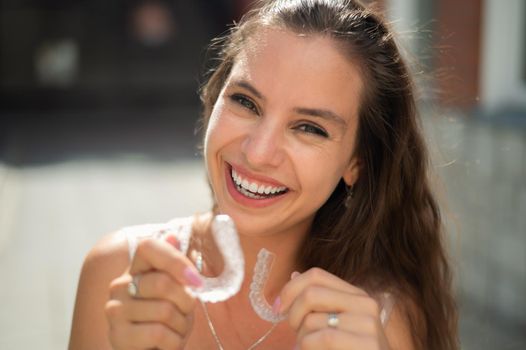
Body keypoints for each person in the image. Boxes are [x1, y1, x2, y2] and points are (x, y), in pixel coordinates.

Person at [69, 0, 458, 349]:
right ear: (214, 96)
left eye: (309, 128)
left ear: (357, 162)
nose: (257, 153)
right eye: (245, 102)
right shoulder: (118, 273)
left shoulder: (383, 318)